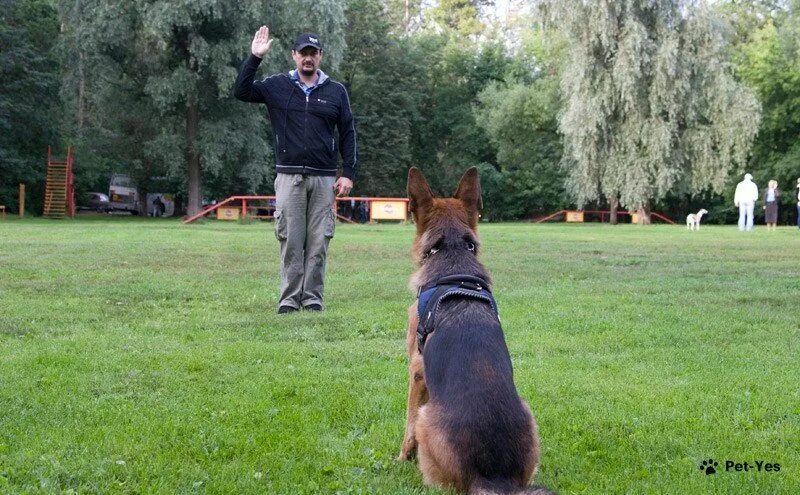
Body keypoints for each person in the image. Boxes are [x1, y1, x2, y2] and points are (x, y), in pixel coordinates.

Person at [234, 26, 357, 314]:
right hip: (289, 177)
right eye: (303, 53)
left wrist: (348, 172)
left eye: (313, 53)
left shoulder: (336, 92)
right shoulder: (277, 86)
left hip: (324, 178)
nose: (308, 58)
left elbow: (348, 132)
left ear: (320, 57)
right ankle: (289, 299)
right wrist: (254, 57)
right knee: (290, 240)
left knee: (318, 242)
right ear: (294, 55)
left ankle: (313, 298)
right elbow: (241, 91)